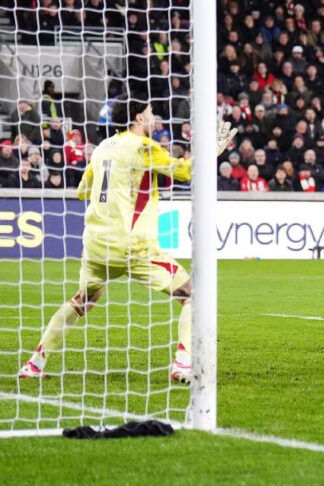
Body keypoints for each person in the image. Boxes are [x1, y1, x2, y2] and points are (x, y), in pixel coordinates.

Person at [19, 99, 236, 382]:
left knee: (82, 300)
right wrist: (213, 150)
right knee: (191, 294)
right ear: (138, 118)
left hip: (95, 245)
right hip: (131, 246)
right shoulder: (144, 146)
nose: (154, 118)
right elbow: (184, 172)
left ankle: (34, 364)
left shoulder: (102, 148)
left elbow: (82, 191)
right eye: (150, 113)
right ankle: (183, 364)